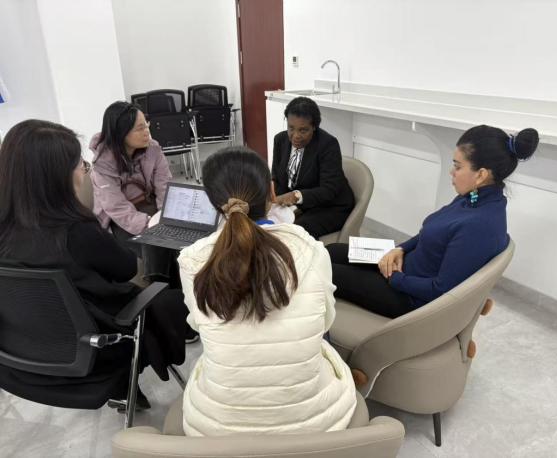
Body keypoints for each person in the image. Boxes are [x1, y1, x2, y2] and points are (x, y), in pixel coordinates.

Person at [0, 120, 187, 407]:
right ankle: (131, 383)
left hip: (20, 356)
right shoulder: (75, 232)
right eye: (80, 165)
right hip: (95, 354)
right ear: (59, 178)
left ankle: (128, 392)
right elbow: (127, 269)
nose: (84, 172)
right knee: (171, 299)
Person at [178, 147, 356, 436]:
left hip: (218, 430)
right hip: (316, 422)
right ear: (272, 193)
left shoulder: (192, 260)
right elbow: (325, 321)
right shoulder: (311, 249)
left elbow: (199, 325)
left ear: (213, 203)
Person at [327, 125, 539, 318]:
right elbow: (430, 232)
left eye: (457, 166)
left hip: (410, 296)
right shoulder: (474, 197)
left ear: (481, 175)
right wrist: (399, 249)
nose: (451, 172)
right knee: (331, 251)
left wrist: (393, 276)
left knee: (322, 271)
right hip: (406, 264)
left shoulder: (479, 225)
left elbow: (441, 290)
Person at [90, 101, 176, 284]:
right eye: (140, 128)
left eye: (146, 124)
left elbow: (164, 184)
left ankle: (181, 288)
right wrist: (151, 225)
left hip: (151, 205)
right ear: (121, 132)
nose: (147, 132)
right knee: (155, 243)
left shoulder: (153, 148)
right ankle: (160, 289)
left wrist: (166, 215)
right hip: (121, 219)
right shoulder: (102, 164)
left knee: (180, 239)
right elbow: (117, 208)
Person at [272, 97, 354, 239]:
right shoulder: (280, 140)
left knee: (294, 232)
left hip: (331, 207)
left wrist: (295, 196)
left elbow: (329, 190)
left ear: (314, 127)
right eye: (291, 128)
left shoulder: (328, 144)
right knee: (268, 223)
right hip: (303, 206)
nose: (296, 136)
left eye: (303, 130)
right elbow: (277, 177)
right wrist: (271, 198)